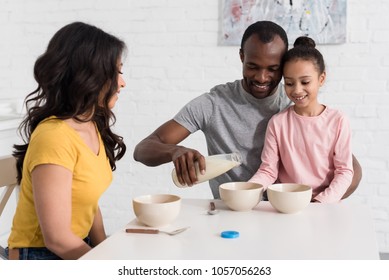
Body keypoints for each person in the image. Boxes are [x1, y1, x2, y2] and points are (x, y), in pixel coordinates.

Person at [133, 21, 362, 200]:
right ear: (242, 57)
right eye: (253, 66)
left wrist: (316, 205)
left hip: (284, 208)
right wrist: (174, 152)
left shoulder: (294, 104)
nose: (262, 78)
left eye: (273, 69)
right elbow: (142, 150)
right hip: (233, 210)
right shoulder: (212, 104)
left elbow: (351, 171)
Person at [7, 22, 127, 260]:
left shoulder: (92, 124)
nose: (122, 82)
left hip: (73, 247)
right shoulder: (54, 137)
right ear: (90, 76)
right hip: (39, 256)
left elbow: (88, 200)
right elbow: (57, 238)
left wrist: (105, 250)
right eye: (117, 72)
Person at [249, 36, 353, 203]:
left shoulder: (338, 120)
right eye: (289, 83)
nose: (297, 90)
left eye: (305, 82)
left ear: (321, 79)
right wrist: (247, 190)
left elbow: (344, 171)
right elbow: (268, 171)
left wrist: (320, 203)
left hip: (325, 206)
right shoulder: (278, 123)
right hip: (287, 205)